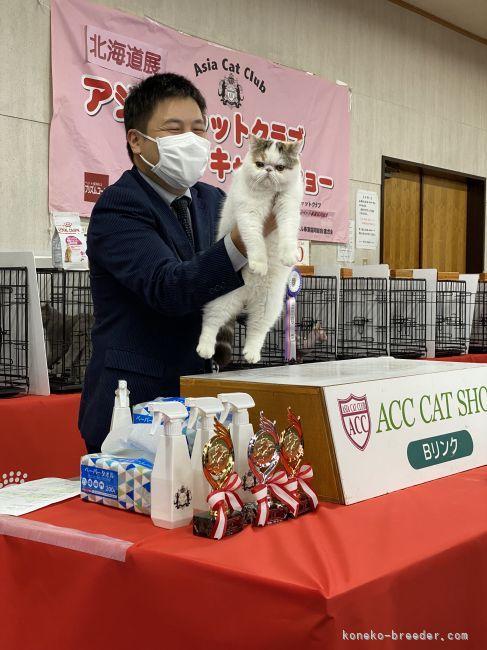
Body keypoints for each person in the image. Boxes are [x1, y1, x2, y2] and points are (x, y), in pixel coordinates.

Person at [78, 72, 273, 453]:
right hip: (134, 412)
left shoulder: (213, 200)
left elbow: (232, 284)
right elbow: (169, 288)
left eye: (199, 130)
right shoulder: (119, 206)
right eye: (174, 129)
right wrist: (241, 242)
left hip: (202, 406)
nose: (192, 140)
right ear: (136, 141)